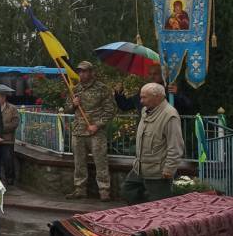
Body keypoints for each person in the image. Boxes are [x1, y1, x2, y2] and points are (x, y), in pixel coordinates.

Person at [122, 83, 184, 204]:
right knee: (128, 191)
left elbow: (175, 146)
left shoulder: (169, 115)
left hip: (158, 171)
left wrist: (169, 169)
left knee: (159, 206)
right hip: (139, 167)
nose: (141, 101)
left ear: (157, 97)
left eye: (144, 97)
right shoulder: (146, 110)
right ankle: (142, 216)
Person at [65, 60, 116, 201]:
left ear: (92, 72)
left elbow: (111, 110)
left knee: (100, 161)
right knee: (79, 162)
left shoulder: (102, 89)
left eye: (84, 71)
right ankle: (80, 189)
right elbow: (67, 108)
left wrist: (97, 125)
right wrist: (73, 104)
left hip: (95, 132)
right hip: (78, 131)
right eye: (79, 71)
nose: (81, 74)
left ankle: (104, 190)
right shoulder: (75, 90)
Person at [0, 90, 20, 186]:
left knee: (8, 159)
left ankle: (10, 177)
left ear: (3, 98)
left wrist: (0, 129)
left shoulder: (12, 108)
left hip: (7, 139)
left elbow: (15, 123)